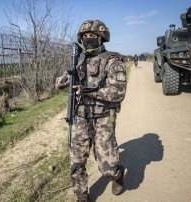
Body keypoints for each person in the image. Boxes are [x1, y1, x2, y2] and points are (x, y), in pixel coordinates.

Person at [56, 20, 127, 202]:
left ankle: (117, 176)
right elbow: (60, 82)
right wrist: (66, 79)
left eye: (92, 36)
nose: (88, 39)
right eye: (85, 36)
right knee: (76, 161)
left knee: (107, 167)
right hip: (80, 118)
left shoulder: (112, 60)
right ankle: (82, 194)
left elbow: (118, 93)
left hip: (103, 118)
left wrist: (88, 90)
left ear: (101, 38)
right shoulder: (79, 60)